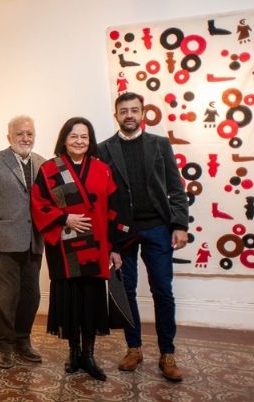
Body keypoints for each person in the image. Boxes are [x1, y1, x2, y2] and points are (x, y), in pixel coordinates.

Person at [97, 92, 189, 382]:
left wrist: (179, 224)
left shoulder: (160, 145)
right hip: (121, 233)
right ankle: (134, 348)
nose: (129, 115)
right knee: (127, 292)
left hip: (158, 228)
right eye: (123, 111)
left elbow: (176, 187)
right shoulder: (103, 149)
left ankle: (167, 353)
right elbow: (101, 198)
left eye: (134, 110)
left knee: (162, 290)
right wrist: (107, 240)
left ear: (143, 113)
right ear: (116, 116)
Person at [31, 117, 122, 381]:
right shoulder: (49, 169)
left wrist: (115, 247)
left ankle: (89, 355)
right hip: (65, 248)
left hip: (96, 247)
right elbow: (38, 203)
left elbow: (114, 209)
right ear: (64, 139)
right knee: (71, 300)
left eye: (84, 137)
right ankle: (73, 353)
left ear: (90, 141)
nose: (79, 141)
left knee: (91, 301)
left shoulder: (102, 169)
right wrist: (64, 218)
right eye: (74, 136)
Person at [0, 115, 45, 369]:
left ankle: (23, 341)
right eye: (20, 134)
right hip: (3, 241)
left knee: (31, 296)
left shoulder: (43, 163)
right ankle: (4, 346)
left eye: (29, 134)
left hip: (34, 241)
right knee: (6, 296)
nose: (25, 138)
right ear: (9, 137)